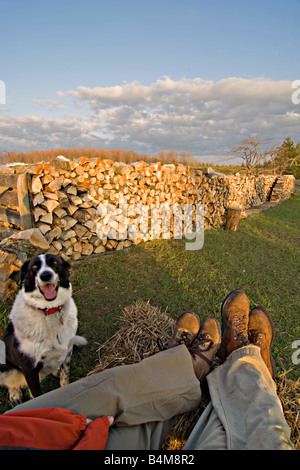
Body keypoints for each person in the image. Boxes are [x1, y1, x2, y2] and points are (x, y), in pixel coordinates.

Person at [0, 290, 294, 450]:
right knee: (263, 434)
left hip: (20, 437)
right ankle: (248, 361)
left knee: (114, 388)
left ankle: (175, 367)